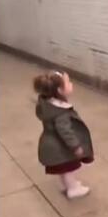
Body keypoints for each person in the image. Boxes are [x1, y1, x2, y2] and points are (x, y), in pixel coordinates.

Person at [33, 71, 94, 199]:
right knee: (67, 167)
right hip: (59, 146)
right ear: (60, 90)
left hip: (51, 142)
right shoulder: (60, 113)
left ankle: (68, 185)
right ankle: (73, 189)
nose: (71, 84)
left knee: (63, 168)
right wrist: (75, 146)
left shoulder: (46, 104)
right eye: (68, 83)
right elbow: (65, 131)